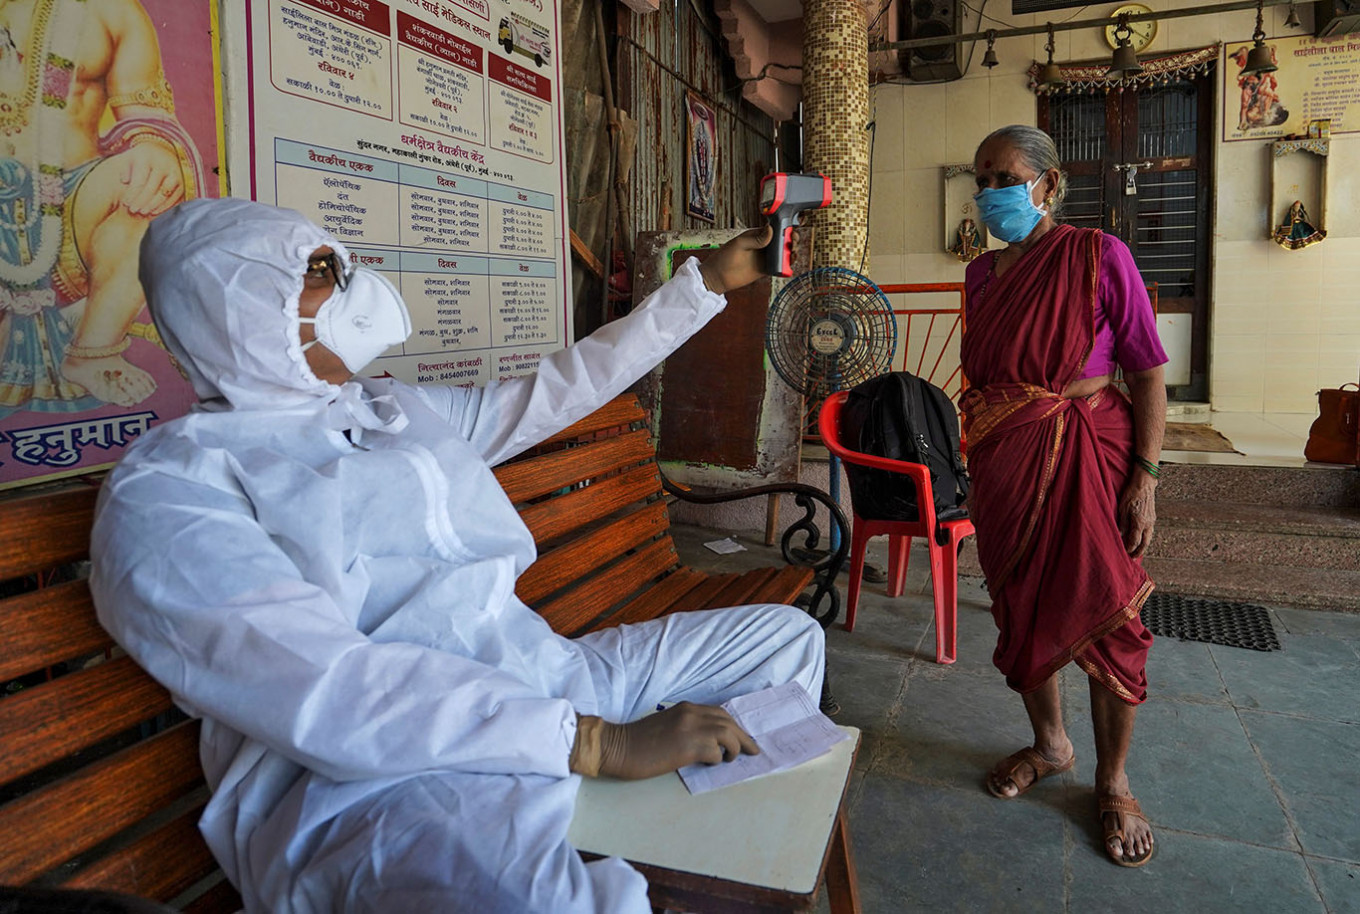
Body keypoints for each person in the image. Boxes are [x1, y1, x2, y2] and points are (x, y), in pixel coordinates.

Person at [89, 198, 825, 913]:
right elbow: (328, 690)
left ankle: (702, 856)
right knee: (538, 902)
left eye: (340, 264)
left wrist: (704, 284)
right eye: (319, 270)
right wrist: (595, 745)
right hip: (386, 780)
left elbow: (557, 389)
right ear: (239, 307)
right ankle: (651, 859)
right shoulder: (172, 490)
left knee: (785, 641)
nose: (353, 286)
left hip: (545, 679)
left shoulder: (386, 410)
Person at [960, 125, 1167, 867]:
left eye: (1004, 178)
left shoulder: (1099, 255)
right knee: (1022, 605)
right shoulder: (980, 276)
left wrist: (1145, 478)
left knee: (1110, 613)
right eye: (981, 180)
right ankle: (1050, 746)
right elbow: (988, 379)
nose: (990, 193)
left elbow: (1146, 372)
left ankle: (1113, 781)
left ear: (1047, 184)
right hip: (1006, 464)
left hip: (1090, 450)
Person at [0, 0, 203, 415]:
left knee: (151, 182)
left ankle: (93, 351)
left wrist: (154, 150)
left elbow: (149, 118)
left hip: (72, 210)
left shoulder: (111, 11)